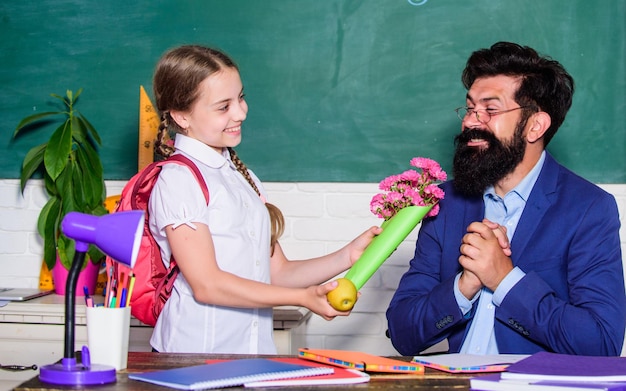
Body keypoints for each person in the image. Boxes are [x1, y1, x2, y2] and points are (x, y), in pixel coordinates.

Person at [386, 42, 625, 356]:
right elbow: (402, 334)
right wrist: (463, 286)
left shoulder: (588, 208)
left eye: (490, 110)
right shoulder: (446, 203)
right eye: (470, 108)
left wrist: (504, 279)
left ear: (535, 126)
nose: (472, 121)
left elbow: (601, 343)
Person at [147, 45, 381, 354]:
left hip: (250, 354)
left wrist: (347, 256)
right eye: (223, 106)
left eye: (241, 98)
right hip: (193, 356)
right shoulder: (179, 179)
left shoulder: (241, 176)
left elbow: (277, 273)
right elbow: (208, 284)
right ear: (180, 115)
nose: (241, 112)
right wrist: (302, 298)